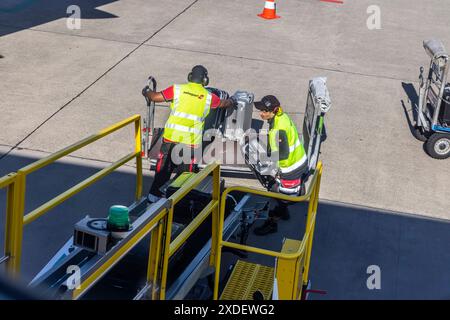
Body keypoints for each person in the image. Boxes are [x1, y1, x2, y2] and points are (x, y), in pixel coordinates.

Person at [142, 65, 236, 199]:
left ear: (190, 77)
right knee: (185, 177)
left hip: (170, 138)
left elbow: (155, 97)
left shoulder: (177, 89)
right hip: (191, 143)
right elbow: (223, 104)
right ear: (205, 80)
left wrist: (146, 91)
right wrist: (232, 101)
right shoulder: (209, 97)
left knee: (163, 171)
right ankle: (178, 201)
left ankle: (153, 199)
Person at [252, 95, 309, 235]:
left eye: (265, 111)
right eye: (261, 110)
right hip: (298, 162)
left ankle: (272, 223)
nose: (261, 113)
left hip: (291, 168)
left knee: (276, 192)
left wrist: (266, 161)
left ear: (274, 110)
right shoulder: (280, 117)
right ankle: (284, 211)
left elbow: (283, 155)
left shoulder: (279, 128)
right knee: (280, 193)